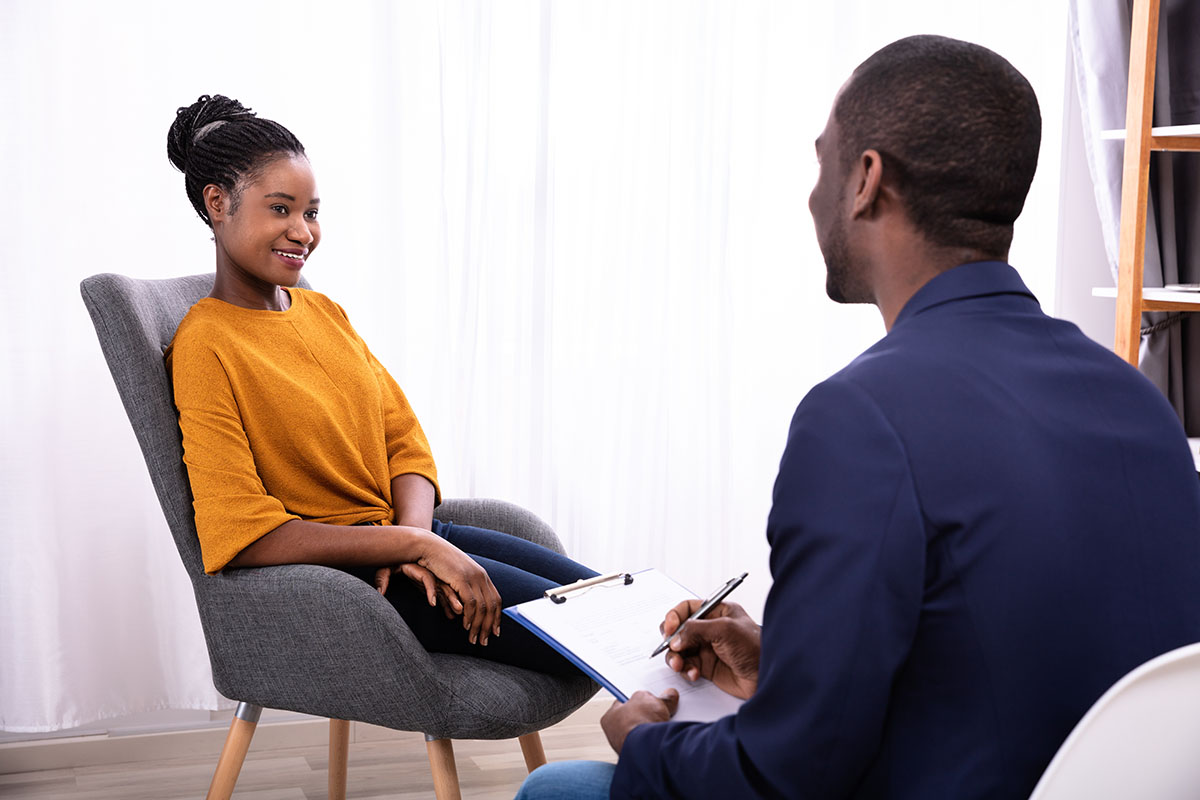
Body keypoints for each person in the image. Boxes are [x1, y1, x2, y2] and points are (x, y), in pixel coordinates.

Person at [515, 34, 1200, 799]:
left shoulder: (858, 421)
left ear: (867, 180)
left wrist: (644, 742)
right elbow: (1012, 659)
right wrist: (784, 666)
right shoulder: (1137, 399)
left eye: (823, 161)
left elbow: (778, 777)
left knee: (562, 789)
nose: (814, 193)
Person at [164, 94, 597, 674]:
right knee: (607, 636)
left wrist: (420, 540)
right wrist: (412, 548)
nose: (303, 231)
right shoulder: (205, 345)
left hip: (410, 543)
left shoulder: (324, 314)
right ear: (217, 204)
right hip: (350, 584)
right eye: (280, 209)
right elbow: (243, 532)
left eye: (311, 212)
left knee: (623, 605)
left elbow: (404, 441)